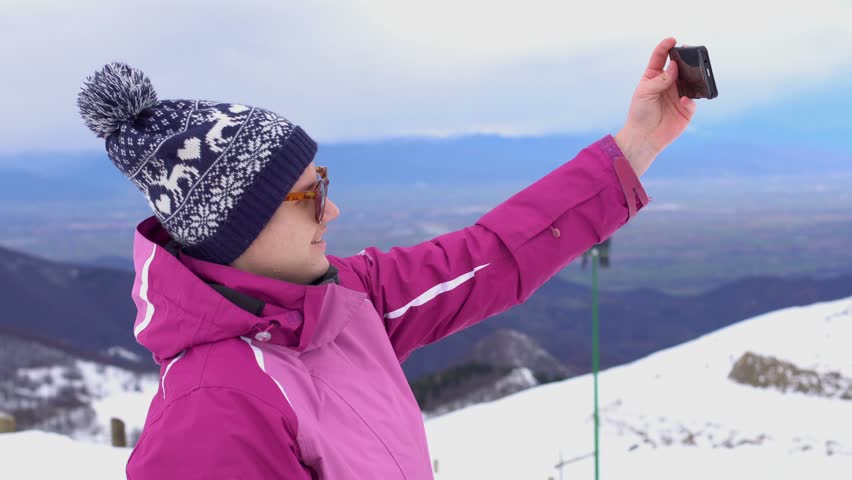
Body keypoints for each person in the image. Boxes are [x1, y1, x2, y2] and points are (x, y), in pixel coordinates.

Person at [77, 37, 695, 479]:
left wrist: (638, 144)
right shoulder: (214, 412)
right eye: (309, 195)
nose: (332, 211)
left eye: (327, 183)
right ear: (233, 229)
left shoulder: (343, 301)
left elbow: (489, 257)